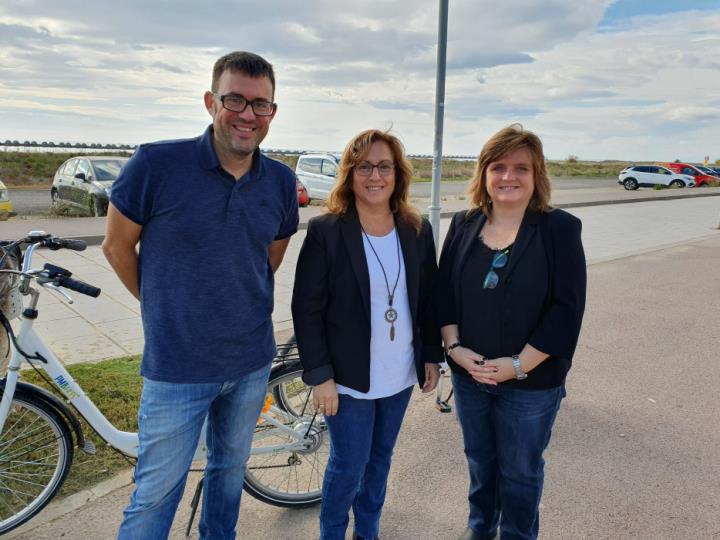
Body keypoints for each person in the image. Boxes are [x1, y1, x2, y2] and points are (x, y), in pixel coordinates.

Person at [102, 51, 299, 539]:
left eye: (261, 104)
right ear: (211, 101)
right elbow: (116, 245)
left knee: (228, 477)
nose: (248, 115)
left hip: (251, 363)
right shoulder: (156, 164)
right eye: (235, 100)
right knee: (156, 494)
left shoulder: (279, 181)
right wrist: (163, 306)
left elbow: (267, 259)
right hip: (177, 367)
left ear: (273, 111)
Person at [291, 129, 442, 540]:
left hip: (399, 376)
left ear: (398, 174)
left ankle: (368, 533)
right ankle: (333, 533)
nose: (375, 175)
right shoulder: (327, 231)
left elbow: (429, 300)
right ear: (350, 174)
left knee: (379, 461)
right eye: (364, 166)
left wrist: (432, 355)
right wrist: (320, 376)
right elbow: (307, 309)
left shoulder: (416, 229)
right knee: (349, 465)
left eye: (384, 166)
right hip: (348, 379)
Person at [437, 124, 586, 540]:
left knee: (520, 473)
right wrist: (454, 348)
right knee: (480, 463)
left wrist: (518, 365)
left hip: (531, 383)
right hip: (470, 376)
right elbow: (444, 293)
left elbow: (566, 309)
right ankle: (480, 529)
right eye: (498, 166)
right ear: (484, 173)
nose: (509, 177)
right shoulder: (464, 223)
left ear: (536, 174)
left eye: (521, 167)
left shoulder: (559, 229)